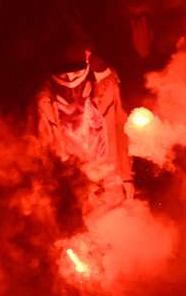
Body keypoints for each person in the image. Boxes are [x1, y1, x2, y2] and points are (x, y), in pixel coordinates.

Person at [29, 36, 133, 213]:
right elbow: (37, 148)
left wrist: (126, 177)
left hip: (107, 178)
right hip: (68, 186)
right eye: (63, 73)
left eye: (75, 72)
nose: (69, 77)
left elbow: (120, 130)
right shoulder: (42, 101)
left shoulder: (106, 87)